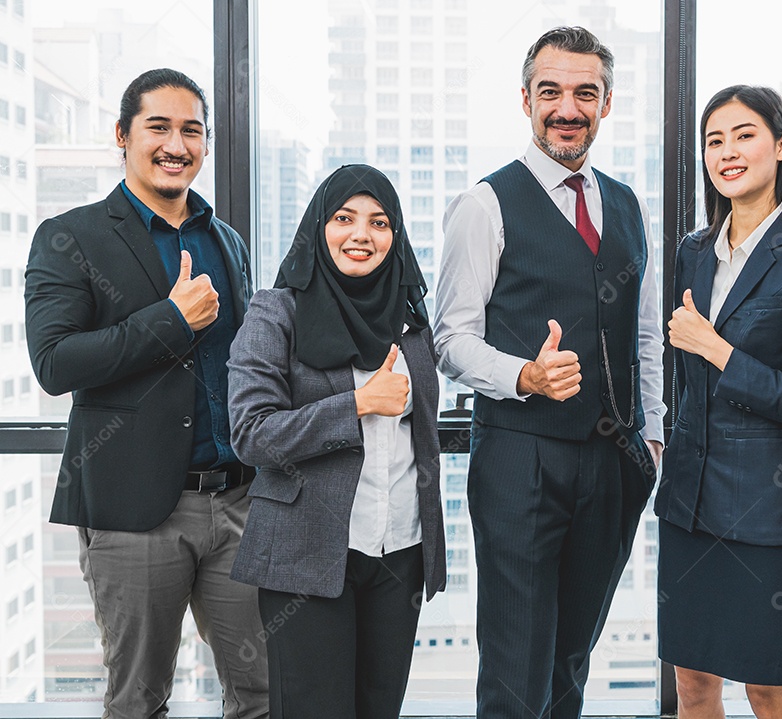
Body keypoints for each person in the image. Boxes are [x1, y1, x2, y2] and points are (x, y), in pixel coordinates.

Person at [433, 25, 665, 719]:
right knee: (514, 668)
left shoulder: (626, 204)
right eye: (552, 92)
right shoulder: (485, 204)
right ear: (526, 99)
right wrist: (525, 375)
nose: (568, 108)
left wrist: (650, 441)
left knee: (571, 662)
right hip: (519, 459)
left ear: (606, 103)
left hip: (613, 462)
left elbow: (646, 334)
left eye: (584, 93)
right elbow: (450, 339)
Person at [24, 69, 267, 718]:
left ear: (206, 144)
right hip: (134, 512)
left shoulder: (227, 241)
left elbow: (241, 364)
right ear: (122, 136)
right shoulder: (70, 237)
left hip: (238, 502)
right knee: (139, 700)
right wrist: (171, 320)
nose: (176, 143)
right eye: (158, 126)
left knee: (267, 692)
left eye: (191, 129)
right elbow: (54, 363)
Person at [657, 86, 782, 719]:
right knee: (692, 685)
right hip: (689, 506)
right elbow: (685, 389)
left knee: (770, 690)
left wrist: (718, 351)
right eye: (715, 140)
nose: (727, 152)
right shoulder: (692, 252)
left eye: (744, 135)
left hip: (766, 514)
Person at [227, 164, 446, 719]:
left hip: (399, 551)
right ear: (318, 228)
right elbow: (251, 434)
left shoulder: (411, 324)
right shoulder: (275, 312)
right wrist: (357, 404)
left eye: (379, 223)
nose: (361, 235)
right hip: (307, 557)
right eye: (344, 218)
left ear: (395, 236)